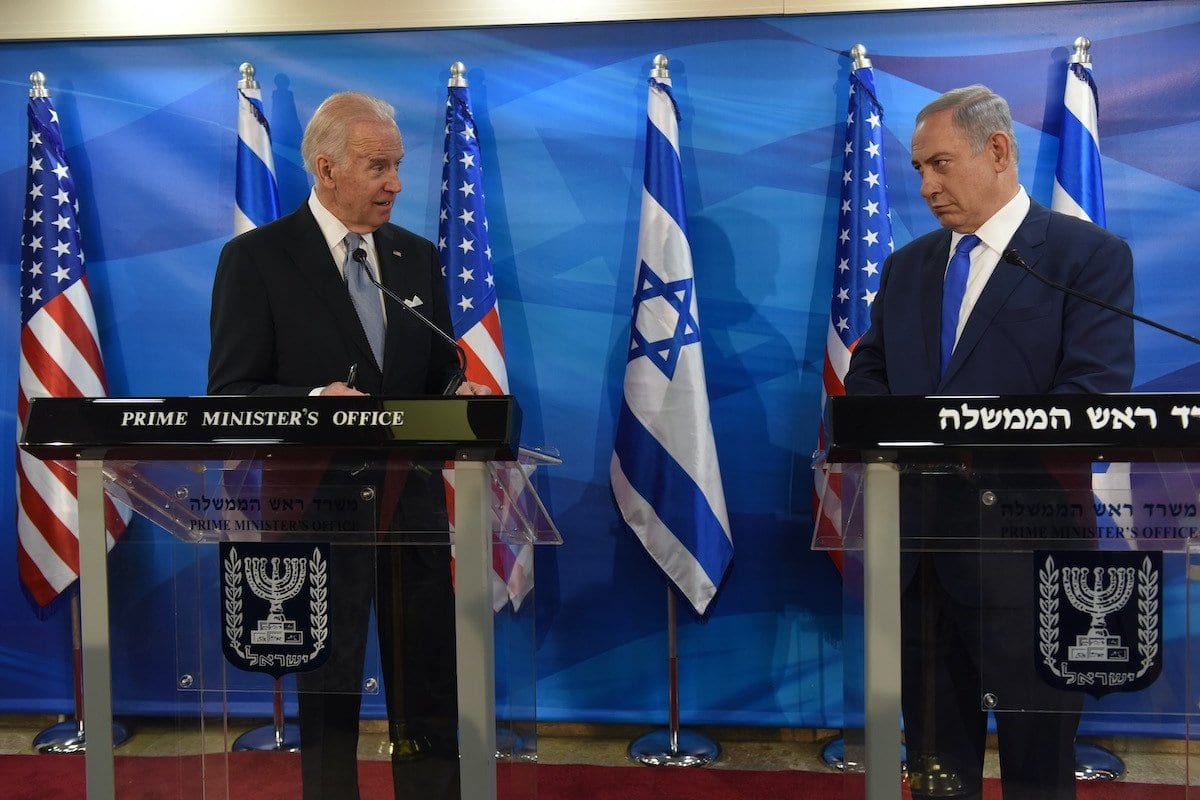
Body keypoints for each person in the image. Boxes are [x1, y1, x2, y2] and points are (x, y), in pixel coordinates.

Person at [845, 85, 1134, 800]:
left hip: (1029, 558)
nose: (926, 186)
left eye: (940, 164)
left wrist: (955, 433)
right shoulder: (908, 266)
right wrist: (911, 437)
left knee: (1039, 772)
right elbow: (868, 374)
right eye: (917, 169)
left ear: (998, 150)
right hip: (919, 560)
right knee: (938, 772)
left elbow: (1093, 400)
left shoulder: (1083, 259)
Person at [209, 91, 490, 799]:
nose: (395, 182)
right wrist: (311, 406)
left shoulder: (415, 257)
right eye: (378, 166)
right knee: (329, 690)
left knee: (427, 686)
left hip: (412, 512)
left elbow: (435, 374)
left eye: (397, 165)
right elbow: (229, 397)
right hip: (318, 512)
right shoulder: (257, 260)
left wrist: (457, 402)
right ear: (327, 169)